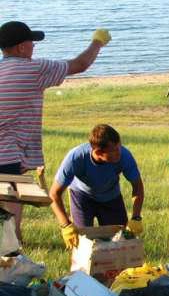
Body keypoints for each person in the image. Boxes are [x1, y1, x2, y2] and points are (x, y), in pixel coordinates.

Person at [0, 21, 111, 241]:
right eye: (31, 42)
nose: (34, 47)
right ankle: (11, 261)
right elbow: (80, 64)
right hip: (7, 156)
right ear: (21, 47)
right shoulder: (33, 69)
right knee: (10, 218)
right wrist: (98, 42)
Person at [49, 124, 145, 249]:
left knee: (119, 241)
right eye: (114, 150)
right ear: (98, 152)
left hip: (111, 197)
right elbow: (54, 193)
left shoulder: (125, 156)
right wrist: (65, 225)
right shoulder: (75, 158)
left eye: (119, 147)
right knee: (82, 242)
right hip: (81, 197)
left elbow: (137, 187)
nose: (119, 153)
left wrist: (136, 217)